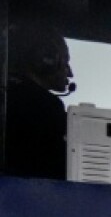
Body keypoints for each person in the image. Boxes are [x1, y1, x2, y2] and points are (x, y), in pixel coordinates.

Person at [2, 21, 74, 179]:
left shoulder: (9, 94)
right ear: (46, 59)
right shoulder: (45, 107)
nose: (69, 74)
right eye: (65, 61)